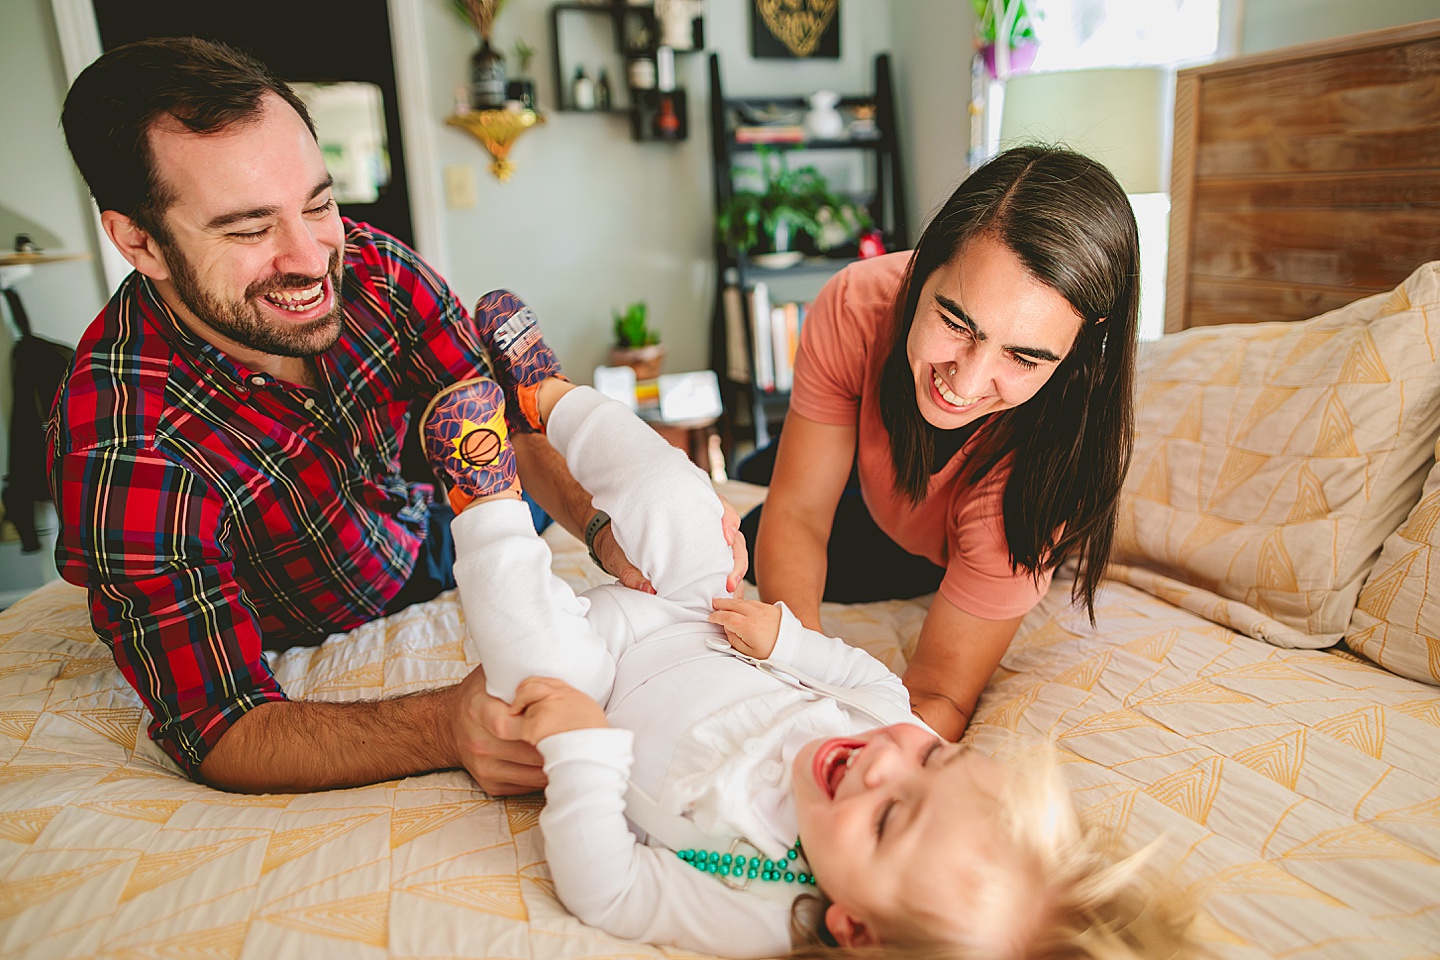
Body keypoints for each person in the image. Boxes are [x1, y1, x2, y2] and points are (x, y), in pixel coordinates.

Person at [47, 37, 743, 796]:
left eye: (318, 203)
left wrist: (607, 530)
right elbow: (220, 725)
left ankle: (557, 401)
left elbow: (501, 435)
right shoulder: (120, 444)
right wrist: (447, 722)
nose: (312, 260)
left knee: (642, 518)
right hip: (312, 610)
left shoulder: (375, 270)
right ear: (138, 241)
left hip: (428, 524)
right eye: (249, 229)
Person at [425, 376, 1191, 959]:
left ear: (853, 928)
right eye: (939, 754)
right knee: (685, 503)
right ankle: (554, 400)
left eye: (891, 817)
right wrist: (784, 640)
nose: (891, 756)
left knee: (526, 660)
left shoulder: (757, 904)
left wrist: (580, 751)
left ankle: (482, 492)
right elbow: (866, 682)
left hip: (594, 678)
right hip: (698, 618)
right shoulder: (887, 725)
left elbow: (612, 891)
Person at [744, 147, 1140, 741]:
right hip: (884, 490)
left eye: (1025, 357)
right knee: (750, 526)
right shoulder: (856, 305)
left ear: (1083, 342)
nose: (967, 381)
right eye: (956, 321)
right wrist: (793, 665)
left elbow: (936, 697)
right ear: (924, 263)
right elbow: (798, 513)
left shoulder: (1037, 482)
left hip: (965, 532)